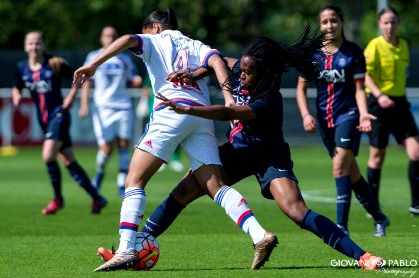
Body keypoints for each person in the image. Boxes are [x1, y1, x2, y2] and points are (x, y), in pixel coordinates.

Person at [99, 31, 385, 270]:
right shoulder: (242, 67)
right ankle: (134, 246)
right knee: (184, 190)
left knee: (296, 211)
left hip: (269, 157)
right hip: (238, 151)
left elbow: (227, 112)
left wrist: (188, 108)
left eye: (248, 72)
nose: (242, 75)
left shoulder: (268, 100)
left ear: (265, 73)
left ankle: (362, 256)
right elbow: (217, 61)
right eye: (243, 69)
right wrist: (194, 72)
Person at [73, 8, 277, 272]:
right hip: (201, 116)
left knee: (133, 180)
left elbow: (125, 39)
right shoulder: (195, 44)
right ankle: (259, 235)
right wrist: (229, 100)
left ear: (156, 28)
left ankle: (125, 250)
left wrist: (93, 64)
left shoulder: (155, 39)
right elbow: (218, 62)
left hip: (172, 110)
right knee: (215, 185)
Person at [296, 5, 389, 237]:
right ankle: (379, 217)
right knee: (352, 172)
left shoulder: (354, 53)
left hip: (348, 116)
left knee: (339, 167)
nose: (330, 25)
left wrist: (364, 112)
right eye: (325, 22)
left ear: (342, 22)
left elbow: (359, 89)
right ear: (320, 25)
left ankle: (341, 227)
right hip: (324, 120)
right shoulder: (313, 55)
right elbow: (301, 87)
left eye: (334, 20)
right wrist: (306, 114)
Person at [12, 30, 107, 215]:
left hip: (59, 115)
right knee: (68, 159)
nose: (34, 47)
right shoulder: (22, 67)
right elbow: (17, 86)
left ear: (43, 45)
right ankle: (97, 198)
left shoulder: (55, 63)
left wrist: (72, 95)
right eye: (31, 43)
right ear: (25, 46)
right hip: (44, 120)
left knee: (48, 156)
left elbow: (82, 77)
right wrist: (16, 96)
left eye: (38, 43)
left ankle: (58, 199)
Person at [364, 7, 419, 216]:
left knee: (416, 151)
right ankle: (373, 205)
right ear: (379, 24)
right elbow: (365, 75)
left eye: (393, 22)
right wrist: (379, 95)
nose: (390, 26)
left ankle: (416, 203)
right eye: (386, 22)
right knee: (377, 155)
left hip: (399, 103)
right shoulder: (374, 46)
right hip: (378, 103)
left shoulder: (403, 45)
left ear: (398, 23)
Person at [79, 25, 143, 197]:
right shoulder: (93, 57)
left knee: (124, 144)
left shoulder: (124, 59)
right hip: (103, 107)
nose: (110, 38)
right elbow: (86, 82)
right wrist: (84, 105)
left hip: (123, 106)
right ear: (101, 38)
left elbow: (134, 77)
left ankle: (122, 184)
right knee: (106, 148)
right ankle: (99, 173)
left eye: (113, 36)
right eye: (107, 35)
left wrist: (137, 80)